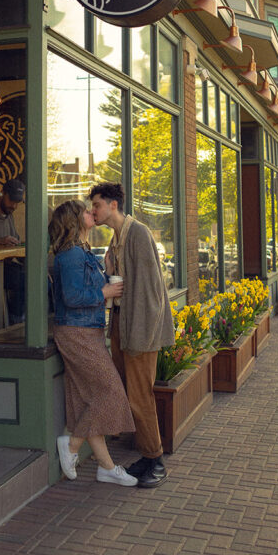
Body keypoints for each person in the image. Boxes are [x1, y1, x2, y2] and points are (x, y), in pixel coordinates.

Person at [89, 182, 175, 488]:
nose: (93, 211)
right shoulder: (117, 239)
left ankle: (156, 460)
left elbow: (152, 290)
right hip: (123, 327)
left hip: (139, 330)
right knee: (131, 396)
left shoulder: (137, 233)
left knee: (140, 397)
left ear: (113, 205)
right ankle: (147, 456)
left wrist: (140, 337)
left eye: (97, 205)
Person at [49, 199, 138, 487]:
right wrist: (106, 291)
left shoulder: (81, 251)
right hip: (77, 333)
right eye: (87, 211)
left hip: (86, 331)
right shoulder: (72, 255)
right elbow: (73, 298)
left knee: (86, 401)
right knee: (110, 392)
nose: (92, 213)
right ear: (75, 221)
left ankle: (106, 467)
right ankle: (72, 445)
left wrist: (107, 269)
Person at [0, 179, 26, 324]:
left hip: (6, 265)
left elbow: (15, 237)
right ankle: (15, 322)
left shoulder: (9, 214)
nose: (14, 206)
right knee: (24, 280)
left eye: (17, 202)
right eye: (11, 200)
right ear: (2, 194)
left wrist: (15, 242)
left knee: (40, 278)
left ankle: (22, 318)